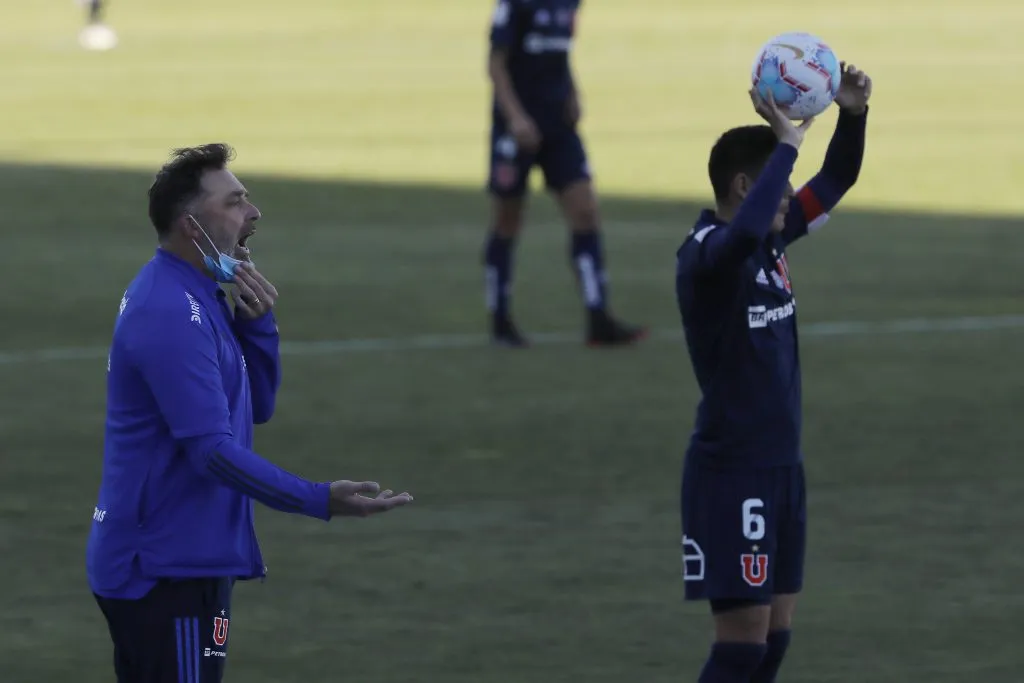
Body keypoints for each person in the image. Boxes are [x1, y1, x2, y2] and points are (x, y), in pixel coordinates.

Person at [86, 143, 414, 683]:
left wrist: (258, 327)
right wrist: (317, 499)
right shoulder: (168, 311)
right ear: (192, 226)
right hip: (163, 569)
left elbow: (255, 407)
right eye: (235, 202)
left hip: (188, 555)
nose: (254, 212)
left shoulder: (202, 295)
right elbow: (211, 452)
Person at [675, 64, 871, 683]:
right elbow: (736, 243)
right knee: (740, 649)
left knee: (772, 644)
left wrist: (854, 114)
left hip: (783, 468)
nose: (790, 195)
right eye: (779, 184)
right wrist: (786, 144)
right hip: (733, 474)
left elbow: (835, 179)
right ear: (744, 187)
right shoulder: (706, 256)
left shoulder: (771, 242)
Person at [483, 0, 647, 347]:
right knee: (508, 220)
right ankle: (500, 320)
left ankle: (598, 318)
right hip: (516, 130)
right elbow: (496, 64)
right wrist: (516, 118)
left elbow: (559, 53)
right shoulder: (515, 4)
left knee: (585, 211)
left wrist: (571, 91)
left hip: (559, 126)